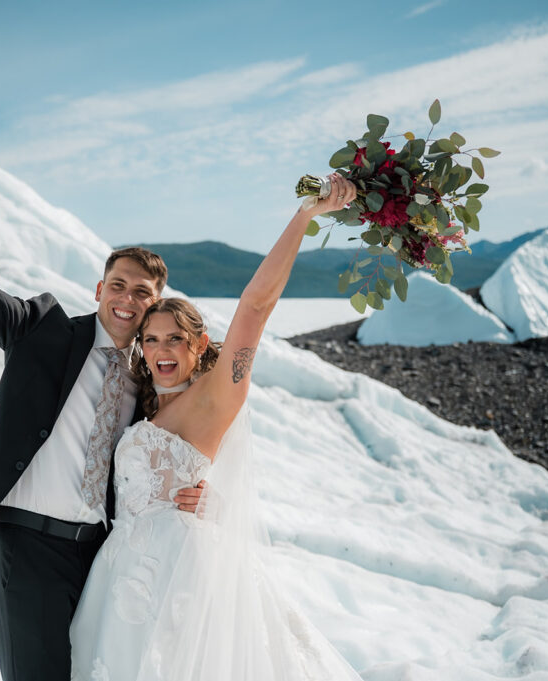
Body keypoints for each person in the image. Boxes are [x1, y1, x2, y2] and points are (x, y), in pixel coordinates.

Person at [0, 123, 205, 681]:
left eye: (142, 293)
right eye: (119, 285)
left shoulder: (150, 379)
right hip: (26, 545)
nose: (128, 299)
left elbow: (165, 454)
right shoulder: (42, 330)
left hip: (102, 557)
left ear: (155, 306)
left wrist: (194, 489)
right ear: (99, 290)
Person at [69, 173, 365, 680]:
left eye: (175, 340)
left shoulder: (216, 394)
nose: (163, 350)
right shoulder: (146, 408)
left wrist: (305, 217)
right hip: (120, 573)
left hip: (180, 577)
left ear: (199, 345)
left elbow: (256, 304)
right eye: (153, 339)